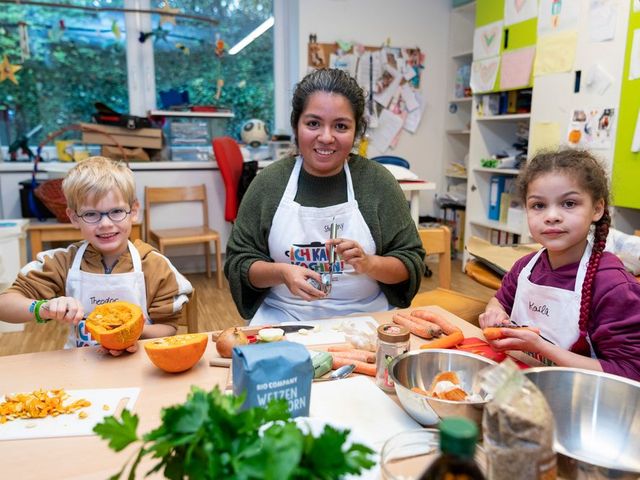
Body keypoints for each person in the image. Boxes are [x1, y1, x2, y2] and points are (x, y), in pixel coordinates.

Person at [225, 68, 425, 325]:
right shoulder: (269, 184)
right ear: (297, 125)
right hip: (283, 321)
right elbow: (238, 263)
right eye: (313, 123)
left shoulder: (377, 183)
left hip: (367, 321)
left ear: (356, 131)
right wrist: (281, 273)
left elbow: (411, 262)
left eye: (340, 126)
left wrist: (369, 263)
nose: (326, 137)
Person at [0, 156, 192, 354]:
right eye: (91, 214)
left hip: (139, 365)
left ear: (133, 211)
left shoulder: (154, 265)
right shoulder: (62, 262)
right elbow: (5, 304)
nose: (106, 224)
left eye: (116, 211)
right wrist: (43, 307)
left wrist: (130, 332)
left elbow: (168, 328)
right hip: (82, 367)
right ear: (74, 218)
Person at [479, 149, 640, 380]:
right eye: (538, 205)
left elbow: (630, 373)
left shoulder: (612, 284)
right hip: (522, 386)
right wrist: (493, 312)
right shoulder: (525, 267)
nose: (551, 216)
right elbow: (501, 300)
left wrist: (541, 347)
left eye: (569, 203)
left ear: (597, 209)